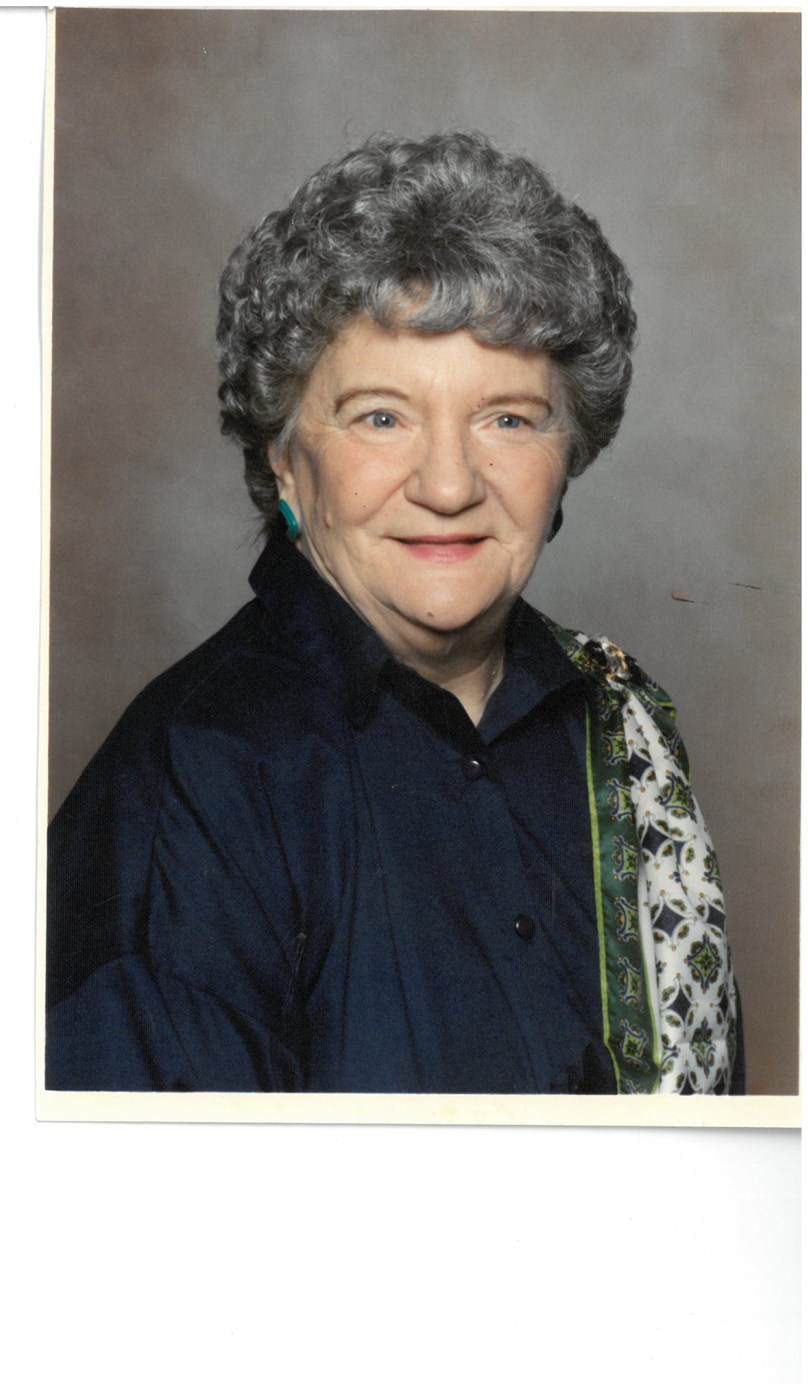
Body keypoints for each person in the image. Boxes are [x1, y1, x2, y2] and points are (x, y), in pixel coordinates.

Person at [45, 131, 742, 1095]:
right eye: (382, 416)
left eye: (508, 418)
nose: (449, 485)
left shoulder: (627, 730)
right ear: (285, 461)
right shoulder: (197, 775)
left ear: (568, 453)